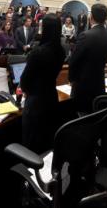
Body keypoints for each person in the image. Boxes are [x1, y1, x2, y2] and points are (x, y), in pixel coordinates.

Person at [19, 13, 66, 153]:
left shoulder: (38, 52)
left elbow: (24, 80)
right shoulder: (61, 51)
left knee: (31, 143)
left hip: (35, 104)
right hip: (51, 98)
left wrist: (26, 90)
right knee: (46, 141)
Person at [68, 3, 107, 114]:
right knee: (93, 115)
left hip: (83, 87)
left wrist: (71, 79)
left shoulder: (86, 35)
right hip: (99, 85)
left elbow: (74, 60)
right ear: (105, 18)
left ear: (91, 17)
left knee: (80, 116)